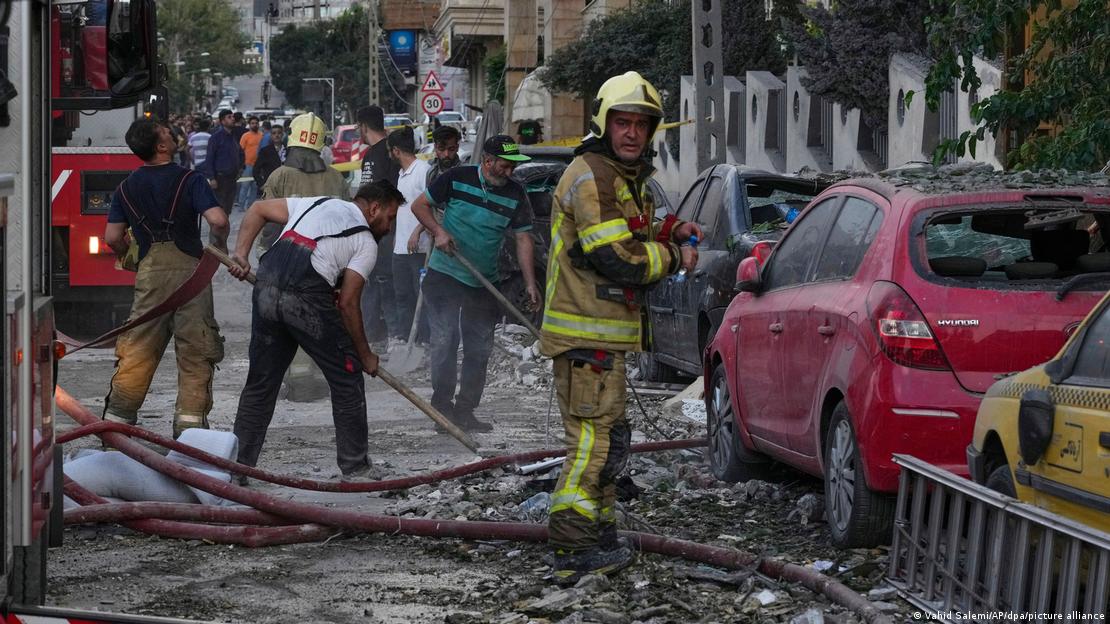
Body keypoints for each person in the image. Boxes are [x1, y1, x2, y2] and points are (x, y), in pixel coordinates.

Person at [540, 72, 702, 585]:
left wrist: (669, 227)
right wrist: (676, 254)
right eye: (623, 122)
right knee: (590, 440)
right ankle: (571, 546)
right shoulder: (591, 175)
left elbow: (630, 227)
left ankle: (598, 533)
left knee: (608, 438)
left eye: (641, 123)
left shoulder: (618, 176)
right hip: (586, 336)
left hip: (604, 338)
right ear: (604, 123)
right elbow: (616, 257)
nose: (632, 132)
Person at [226, 180, 404, 480]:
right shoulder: (365, 242)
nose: (389, 228)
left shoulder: (316, 201)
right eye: (389, 218)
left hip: (267, 289)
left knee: (261, 384)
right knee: (347, 377)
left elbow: (257, 209)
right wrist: (364, 355)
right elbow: (348, 304)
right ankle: (355, 467)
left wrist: (241, 254)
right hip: (304, 300)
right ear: (374, 209)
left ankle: (237, 468)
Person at [102, 118, 230, 439]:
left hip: (150, 277)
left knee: (138, 352)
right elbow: (218, 220)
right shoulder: (191, 179)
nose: (173, 135)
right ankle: (190, 434)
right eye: (167, 133)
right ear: (161, 147)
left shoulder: (126, 187)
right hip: (192, 279)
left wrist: (129, 256)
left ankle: (115, 430)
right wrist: (220, 247)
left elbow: (112, 237)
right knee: (196, 352)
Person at [410, 135, 539, 433]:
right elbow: (420, 206)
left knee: (479, 348)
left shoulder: (516, 194)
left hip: (483, 283)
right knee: (444, 342)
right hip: (445, 275)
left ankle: (465, 410)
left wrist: (531, 282)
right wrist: (438, 232)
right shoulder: (457, 178)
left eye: (513, 167)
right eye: (505, 166)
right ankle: (442, 409)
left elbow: (523, 238)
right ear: (488, 161)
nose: (509, 172)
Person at [256, 113, 350, 402]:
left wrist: (264, 258)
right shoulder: (336, 178)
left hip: (287, 263)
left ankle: (300, 381)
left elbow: (268, 224)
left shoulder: (280, 176)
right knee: (322, 315)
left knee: (288, 317)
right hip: (328, 263)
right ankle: (328, 374)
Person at [353, 105, 402, 348]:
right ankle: (373, 334)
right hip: (369, 231)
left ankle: (394, 336)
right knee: (369, 280)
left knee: (384, 280)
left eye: (358, 128)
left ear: (363, 126)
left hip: (386, 231)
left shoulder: (389, 152)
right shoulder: (370, 154)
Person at [387, 126, 432, 345]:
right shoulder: (401, 175)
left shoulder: (423, 170)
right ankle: (406, 339)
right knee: (402, 295)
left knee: (420, 296)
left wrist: (417, 231)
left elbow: (432, 205)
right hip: (401, 248)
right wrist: (398, 236)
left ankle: (423, 339)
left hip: (419, 247)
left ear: (396, 150)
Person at [198, 109, 242, 215]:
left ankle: (224, 230)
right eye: (229, 117)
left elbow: (240, 154)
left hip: (232, 179)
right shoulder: (216, 138)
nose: (233, 119)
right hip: (220, 178)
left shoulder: (233, 137)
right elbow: (209, 158)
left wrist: (240, 168)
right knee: (220, 209)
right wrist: (212, 178)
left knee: (227, 210)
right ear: (223, 121)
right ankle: (216, 231)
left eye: (232, 117)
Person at [237, 115, 263, 212]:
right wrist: (240, 165)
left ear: (258, 124)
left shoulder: (262, 135)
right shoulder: (245, 136)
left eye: (256, 123)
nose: (254, 125)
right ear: (249, 125)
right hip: (247, 165)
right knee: (245, 186)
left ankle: (250, 207)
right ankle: (241, 206)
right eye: (252, 123)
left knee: (255, 187)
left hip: (258, 166)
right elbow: (240, 151)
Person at [253, 122, 285, 191]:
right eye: (274, 133)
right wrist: (261, 184)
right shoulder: (265, 151)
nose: (277, 135)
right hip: (270, 186)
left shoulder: (288, 150)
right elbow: (255, 170)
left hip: (286, 186)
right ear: (271, 135)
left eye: (279, 133)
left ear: (283, 134)